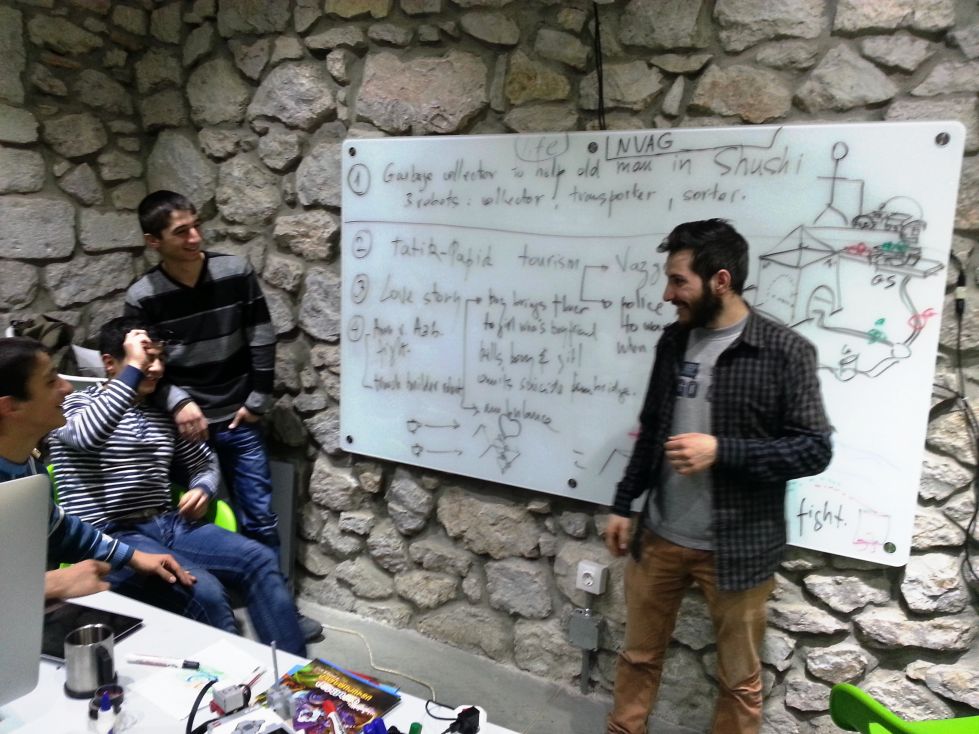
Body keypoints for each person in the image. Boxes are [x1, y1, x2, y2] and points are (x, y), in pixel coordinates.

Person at [604, 219, 833, 734]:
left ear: (721, 281)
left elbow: (814, 449)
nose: (667, 295)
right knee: (638, 657)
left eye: (678, 281)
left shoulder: (785, 352)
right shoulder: (673, 341)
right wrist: (623, 504)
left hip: (739, 547)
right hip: (658, 537)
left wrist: (722, 450)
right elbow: (652, 426)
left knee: (739, 681)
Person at [46, 318, 306, 655]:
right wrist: (132, 374)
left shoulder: (161, 413)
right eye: (145, 359)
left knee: (260, 559)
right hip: (108, 533)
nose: (156, 368)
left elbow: (204, 462)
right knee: (204, 590)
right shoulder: (74, 405)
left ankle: (294, 674)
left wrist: (203, 487)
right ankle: (231, 677)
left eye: (160, 358)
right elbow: (87, 436)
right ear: (110, 363)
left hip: (167, 523)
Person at [125, 190, 320, 640]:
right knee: (191, 518)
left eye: (196, 225)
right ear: (153, 242)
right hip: (184, 427)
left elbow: (262, 335)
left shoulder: (235, 271)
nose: (195, 237)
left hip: (238, 418)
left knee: (260, 517)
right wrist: (177, 401)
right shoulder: (143, 296)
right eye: (181, 232)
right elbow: (146, 363)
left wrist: (256, 401)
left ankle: (281, 613)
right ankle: (208, 613)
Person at [0, 336, 194, 601]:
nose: (67, 387)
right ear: (10, 406)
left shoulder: (31, 468)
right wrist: (49, 585)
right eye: (51, 381)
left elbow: (58, 529)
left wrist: (133, 557)